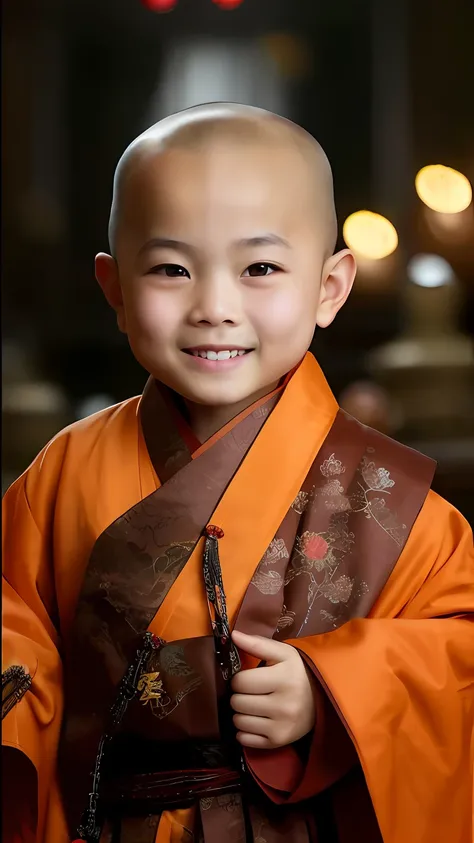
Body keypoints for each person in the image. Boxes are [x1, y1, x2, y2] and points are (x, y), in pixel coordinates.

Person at [2, 103, 473, 843]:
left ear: (330, 286)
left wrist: (333, 691)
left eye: (259, 267)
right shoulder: (62, 472)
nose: (214, 307)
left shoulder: (396, 503)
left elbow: (460, 653)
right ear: (114, 286)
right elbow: (15, 630)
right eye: (170, 268)